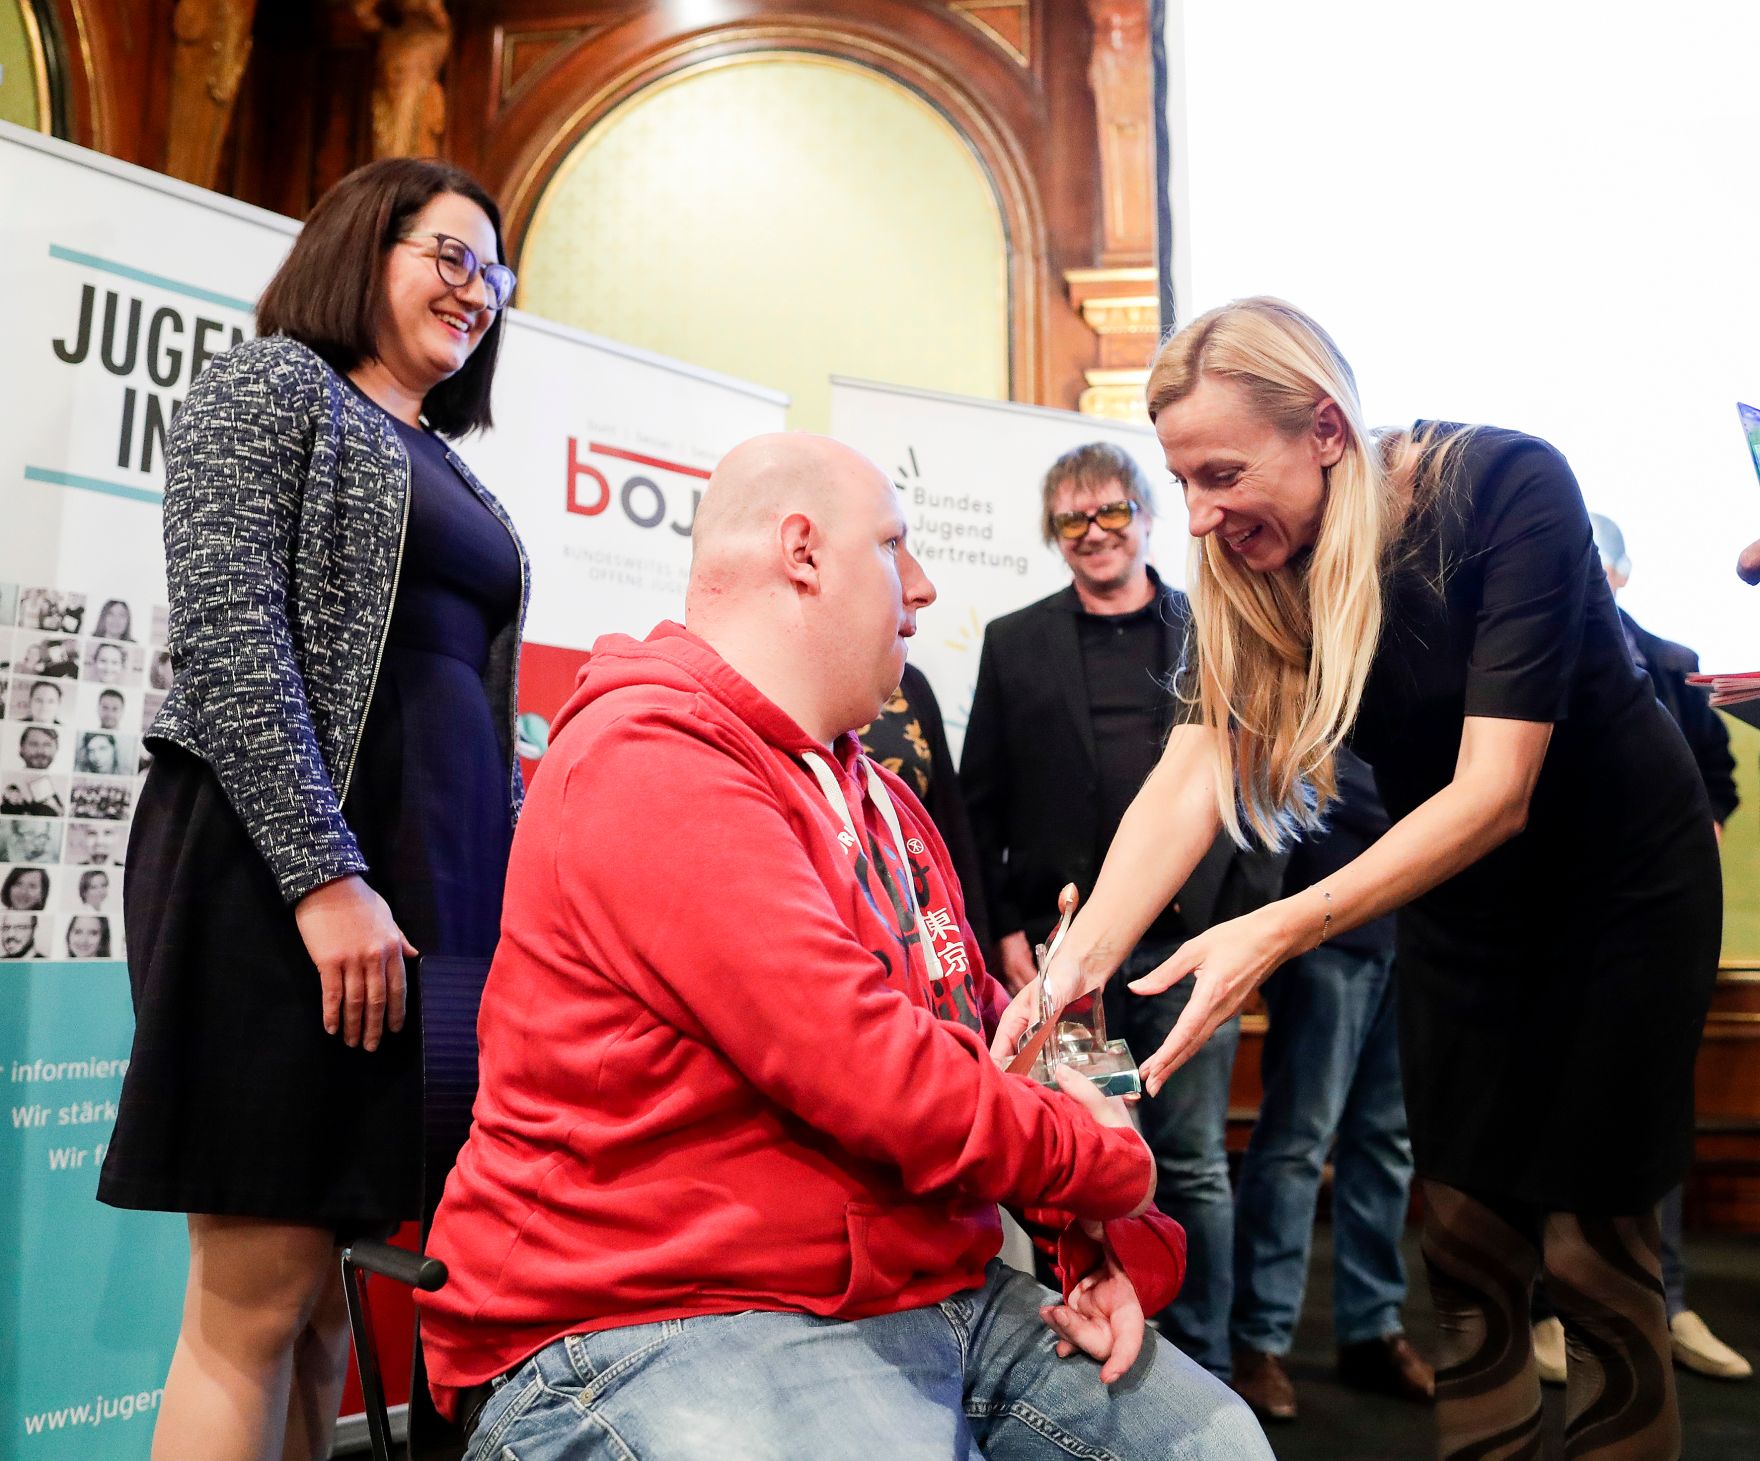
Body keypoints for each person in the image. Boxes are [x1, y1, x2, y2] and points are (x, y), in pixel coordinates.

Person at [418, 433, 1272, 1461]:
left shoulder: (888, 809)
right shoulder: (647, 757)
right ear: (805, 555)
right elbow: (864, 1064)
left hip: (917, 1289)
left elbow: (971, 1045)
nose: (919, 586)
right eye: (893, 545)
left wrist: (1082, 1239)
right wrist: (1101, 1165)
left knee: (1216, 1444)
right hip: (654, 1309)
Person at [998, 298, 1718, 1460]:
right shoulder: (1250, 563)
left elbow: (1496, 788)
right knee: (1468, 1250)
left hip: (1616, 899)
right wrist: (1065, 975)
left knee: (1594, 1261)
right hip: (1461, 906)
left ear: (1325, 429)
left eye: (1221, 474)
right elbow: (1192, 774)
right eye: (1180, 483)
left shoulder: (1499, 488)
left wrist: (1272, 929)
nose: (1199, 514)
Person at [96, 156, 528, 1461]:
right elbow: (231, 643)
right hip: (283, 880)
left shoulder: (461, 473)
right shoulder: (270, 384)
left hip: (427, 904)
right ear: (361, 244)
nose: (478, 290)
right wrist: (324, 878)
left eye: (496, 273)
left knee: (331, 1312)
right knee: (253, 1300)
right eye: (449, 254)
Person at [961, 440, 1284, 1378]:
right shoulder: (1014, 639)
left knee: (1193, 1165)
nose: (1095, 533)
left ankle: (1210, 1362)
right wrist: (1007, 929)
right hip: (1066, 965)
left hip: (1188, 951)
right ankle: (1111, 1343)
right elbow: (982, 799)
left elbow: (1260, 786)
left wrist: (1241, 916)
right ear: (1055, 535)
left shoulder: (1214, 628)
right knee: (1088, 1166)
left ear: (1147, 516)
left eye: (1111, 512)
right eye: (1073, 519)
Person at [1521, 511, 1746, 1385]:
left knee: (1658, 1125)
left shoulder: (1681, 663)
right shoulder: (1521, 656)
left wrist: (1675, 876)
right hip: (1547, 934)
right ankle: (1550, 1310)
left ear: (1619, 576)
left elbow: (1716, 786)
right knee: (1551, 1119)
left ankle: (1670, 1300)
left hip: (1656, 935)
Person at [1229, 750, 1430, 1421]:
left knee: (1388, 1141)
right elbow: (1313, 775)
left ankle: (1371, 1328)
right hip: (1325, 924)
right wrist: (1443, 811)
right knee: (1297, 1139)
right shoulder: (1325, 650)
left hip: (1417, 928)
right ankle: (1258, 1341)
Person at [858, 660, 992, 953]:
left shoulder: (909, 682)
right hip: (834, 908)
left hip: (914, 910)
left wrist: (975, 945)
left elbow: (950, 823)